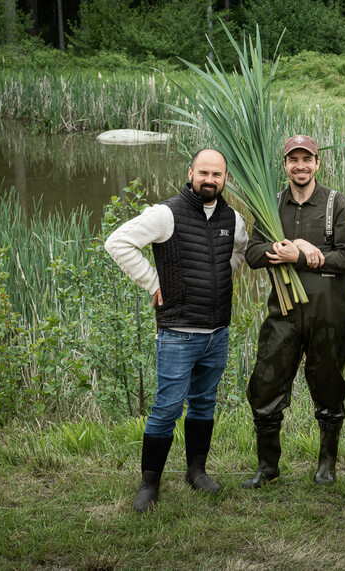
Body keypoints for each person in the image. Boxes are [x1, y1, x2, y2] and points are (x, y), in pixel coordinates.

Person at [105, 149, 249, 513]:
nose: (210, 180)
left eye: (217, 174)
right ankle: (149, 484)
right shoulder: (165, 214)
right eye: (203, 172)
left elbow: (242, 253)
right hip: (178, 333)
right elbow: (118, 243)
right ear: (190, 173)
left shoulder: (233, 219)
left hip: (217, 331)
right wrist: (153, 281)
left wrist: (222, 272)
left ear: (225, 179)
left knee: (203, 403)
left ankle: (196, 472)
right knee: (167, 407)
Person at [242, 135, 345, 489]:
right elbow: (251, 254)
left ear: (317, 162)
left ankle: (327, 466)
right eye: (293, 160)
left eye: (306, 159)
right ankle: (268, 467)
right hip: (284, 314)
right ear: (285, 166)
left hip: (329, 314)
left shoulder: (336, 203)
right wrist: (283, 250)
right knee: (264, 387)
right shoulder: (270, 203)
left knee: (327, 388)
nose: (300, 166)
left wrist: (306, 256)